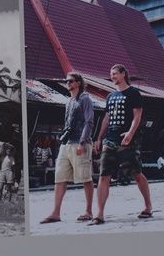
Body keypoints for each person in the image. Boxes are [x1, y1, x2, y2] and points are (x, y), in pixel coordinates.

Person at [89, 64, 153, 225]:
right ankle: (99, 214)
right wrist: (99, 137)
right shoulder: (110, 96)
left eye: (115, 73)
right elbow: (106, 118)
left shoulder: (133, 93)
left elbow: (137, 116)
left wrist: (130, 133)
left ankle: (148, 206)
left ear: (123, 74)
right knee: (104, 175)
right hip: (109, 140)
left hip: (127, 140)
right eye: (111, 74)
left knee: (136, 173)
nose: (112, 76)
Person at [41, 72, 96, 224]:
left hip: (80, 142)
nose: (68, 83)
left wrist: (82, 142)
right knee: (60, 178)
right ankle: (56, 213)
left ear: (78, 83)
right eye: (66, 81)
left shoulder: (85, 99)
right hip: (66, 144)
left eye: (71, 81)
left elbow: (89, 122)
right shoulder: (69, 101)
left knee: (85, 177)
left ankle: (89, 211)